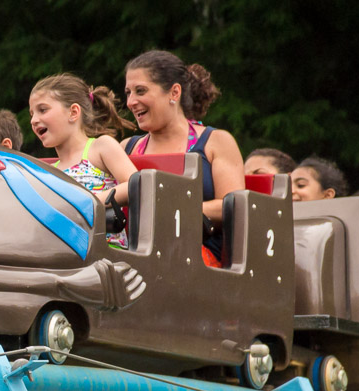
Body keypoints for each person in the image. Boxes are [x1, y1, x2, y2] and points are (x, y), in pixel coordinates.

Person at [120, 50, 244, 266]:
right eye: (128, 92)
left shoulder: (215, 142)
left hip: (195, 258)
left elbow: (232, 205)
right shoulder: (126, 148)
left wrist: (171, 209)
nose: (131, 101)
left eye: (140, 91)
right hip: (132, 256)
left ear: (174, 92)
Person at [29, 73, 137, 205]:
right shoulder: (48, 171)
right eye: (32, 114)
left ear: (73, 112)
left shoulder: (101, 147)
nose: (33, 120)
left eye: (43, 110)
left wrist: (88, 204)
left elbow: (134, 184)